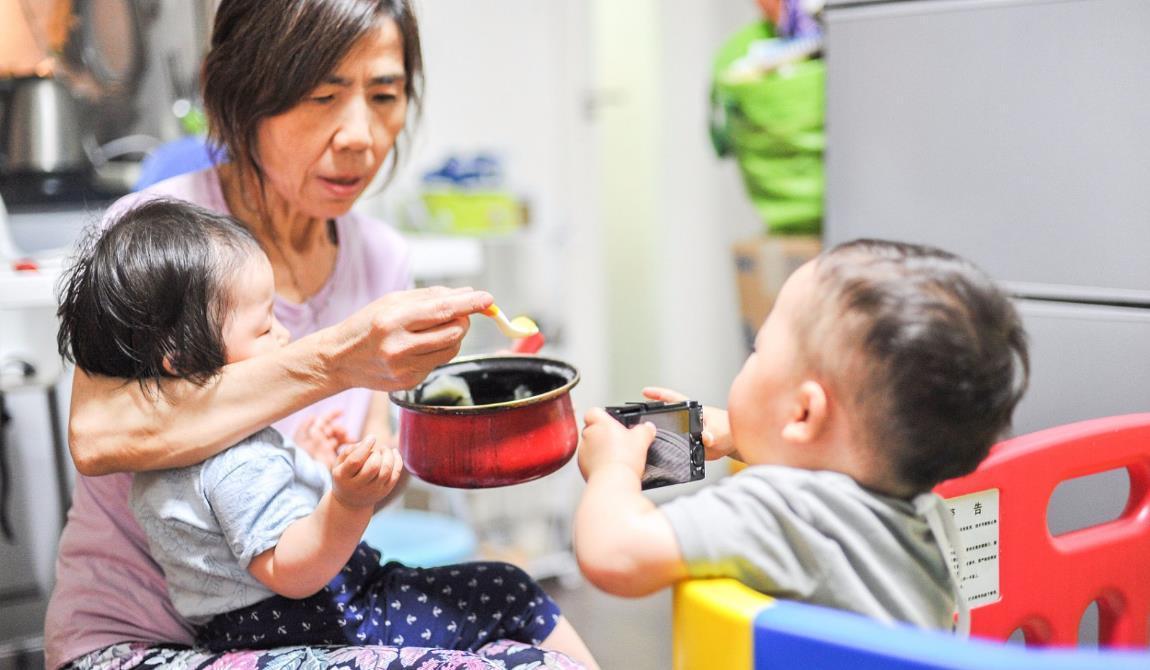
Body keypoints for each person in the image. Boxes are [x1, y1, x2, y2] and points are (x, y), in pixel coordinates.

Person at [43, 2, 585, 669]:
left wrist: (408, 450)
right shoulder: (160, 237)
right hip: (137, 641)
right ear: (232, 91)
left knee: (521, 609)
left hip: (311, 617)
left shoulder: (381, 256)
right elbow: (99, 437)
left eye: (384, 95)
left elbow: (369, 467)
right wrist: (337, 362)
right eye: (321, 95)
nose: (360, 134)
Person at [55, 199, 598, 667]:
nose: (286, 332)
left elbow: (244, 526)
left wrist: (306, 466)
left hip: (271, 620)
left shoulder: (192, 448)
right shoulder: (233, 458)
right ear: (179, 360)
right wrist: (345, 501)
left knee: (501, 595)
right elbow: (290, 570)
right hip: (301, 620)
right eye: (265, 326)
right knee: (507, 595)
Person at [573, 239, 1030, 631]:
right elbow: (832, 474)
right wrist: (741, 435)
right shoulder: (921, 506)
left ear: (804, 412)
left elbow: (615, 554)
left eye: (758, 349)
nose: (750, 358)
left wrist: (614, 468)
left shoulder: (780, 512)